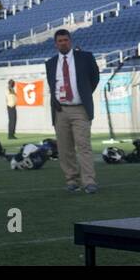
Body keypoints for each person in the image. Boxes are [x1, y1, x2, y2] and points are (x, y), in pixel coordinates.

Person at [45, 29, 99, 194]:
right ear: (56, 44)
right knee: (64, 148)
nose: (63, 43)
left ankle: (89, 181)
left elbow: (94, 78)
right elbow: (52, 85)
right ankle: (71, 180)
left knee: (83, 146)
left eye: (66, 40)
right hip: (60, 111)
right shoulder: (51, 63)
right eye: (60, 41)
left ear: (71, 41)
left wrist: (84, 94)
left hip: (80, 109)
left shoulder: (85, 57)